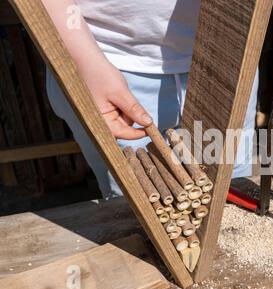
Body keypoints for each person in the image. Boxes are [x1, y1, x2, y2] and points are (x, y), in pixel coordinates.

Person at [42, 0, 258, 198]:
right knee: (146, 216)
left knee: (234, 197)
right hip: (108, 67)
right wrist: (85, 61)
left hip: (230, 55)